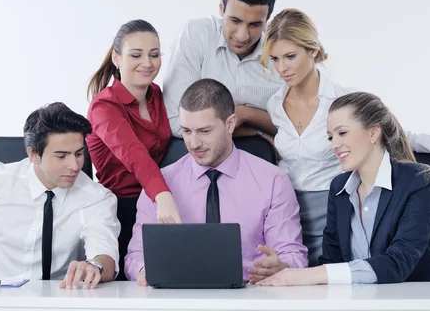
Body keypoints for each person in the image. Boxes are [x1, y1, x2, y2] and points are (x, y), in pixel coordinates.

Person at [257, 8, 430, 270]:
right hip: (291, 215)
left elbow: (396, 133)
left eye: (290, 56)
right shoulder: (275, 104)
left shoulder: (342, 100)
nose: (282, 68)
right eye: (275, 59)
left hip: (334, 209)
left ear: (313, 50)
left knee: (337, 281)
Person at [257, 92, 430, 286]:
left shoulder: (420, 181)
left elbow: (398, 263)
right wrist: (286, 269)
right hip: (367, 302)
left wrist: (309, 275)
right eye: (330, 137)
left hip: (428, 299)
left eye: (342, 133)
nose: (334, 145)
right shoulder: (339, 188)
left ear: (373, 132)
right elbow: (332, 262)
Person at [125, 79, 308, 285]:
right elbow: (136, 255)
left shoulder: (274, 181)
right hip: (179, 295)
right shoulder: (160, 184)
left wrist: (282, 267)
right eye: (186, 131)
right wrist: (143, 270)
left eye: (205, 131)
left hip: (251, 294)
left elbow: (293, 255)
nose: (194, 143)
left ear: (230, 124)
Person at [0, 103, 120, 289]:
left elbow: (104, 254)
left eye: (79, 153)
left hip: (61, 298)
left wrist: (94, 266)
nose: (74, 165)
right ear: (33, 154)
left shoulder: (96, 198)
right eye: (61, 156)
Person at [86, 19, 181, 281]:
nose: (148, 63)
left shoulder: (158, 95)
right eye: (136, 55)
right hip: (120, 208)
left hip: (155, 204)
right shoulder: (103, 106)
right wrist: (162, 195)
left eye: (154, 54)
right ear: (116, 58)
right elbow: (136, 156)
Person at [163, 0, 283, 140]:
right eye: (235, 21)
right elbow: (176, 122)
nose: (242, 36)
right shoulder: (197, 35)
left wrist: (246, 113)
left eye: (254, 25)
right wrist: (256, 131)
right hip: (194, 152)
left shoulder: (280, 55)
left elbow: (295, 130)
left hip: (259, 154)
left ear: (268, 19)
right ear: (221, 8)